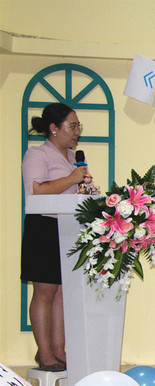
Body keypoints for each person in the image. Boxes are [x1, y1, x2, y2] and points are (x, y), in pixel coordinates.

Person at [21, 103, 88, 372]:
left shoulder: (73, 157)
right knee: (45, 291)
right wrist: (72, 179)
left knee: (62, 292)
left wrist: (85, 188)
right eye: (72, 126)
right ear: (53, 128)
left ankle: (60, 350)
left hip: (68, 227)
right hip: (44, 227)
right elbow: (36, 190)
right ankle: (45, 352)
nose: (76, 131)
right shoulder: (37, 154)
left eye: (78, 126)